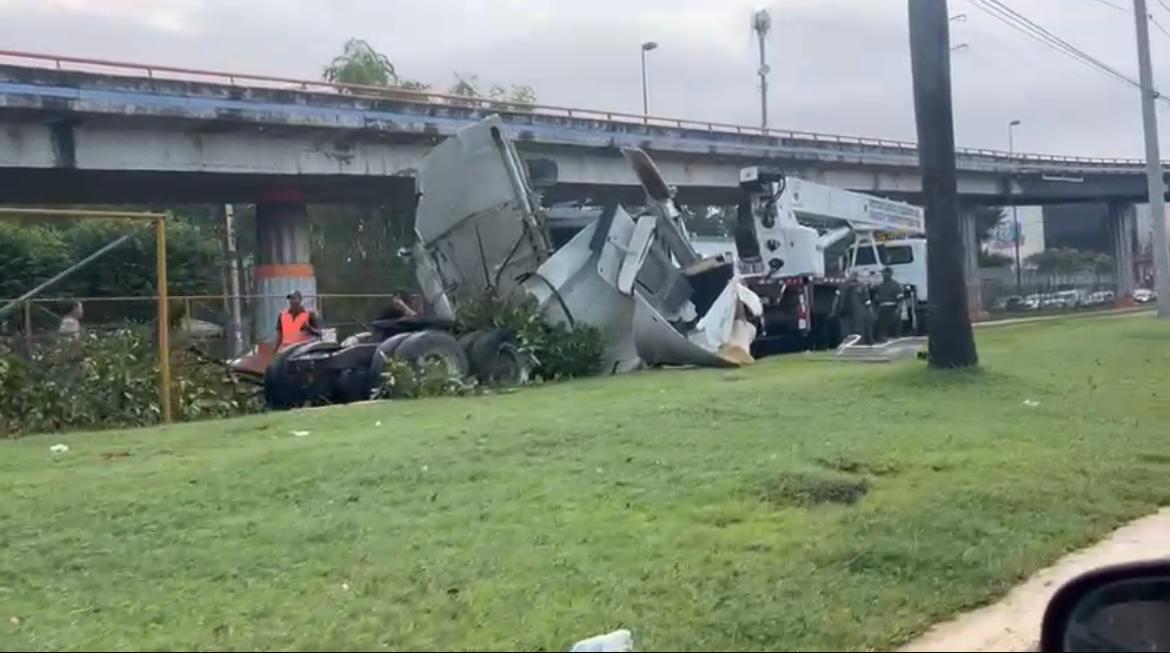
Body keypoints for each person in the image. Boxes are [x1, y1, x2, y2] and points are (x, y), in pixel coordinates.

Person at [831, 272, 873, 345]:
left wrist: (870, 311)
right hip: (844, 312)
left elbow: (867, 300)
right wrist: (833, 310)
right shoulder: (842, 286)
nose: (853, 277)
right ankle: (847, 346)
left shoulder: (862, 286)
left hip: (857, 313)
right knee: (845, 332)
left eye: (855, 276)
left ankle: (859, 345)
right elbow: (836, 299)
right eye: (852, 276)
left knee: (858, 331)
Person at [873, 267, 904, 342]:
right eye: (882, 273)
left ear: (889, 274)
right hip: (882, 308)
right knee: (882, 326)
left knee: (895, 326)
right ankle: (883, 337)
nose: (883, 275)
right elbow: (876, 298)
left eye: (884, 273)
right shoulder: (880, 286)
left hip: (892, 307)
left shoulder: (895, 285)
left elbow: (900, 299)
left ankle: (896, 338)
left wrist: (898, 309)